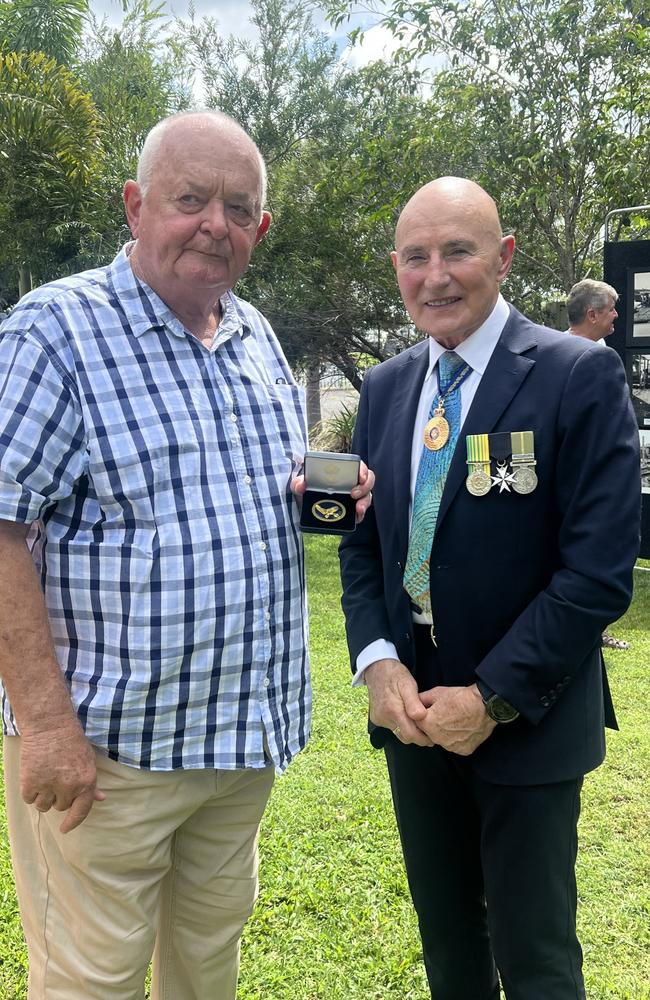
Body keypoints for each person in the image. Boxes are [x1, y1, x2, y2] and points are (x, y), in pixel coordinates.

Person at [0, 110, 372, 1000]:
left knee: (207, 973)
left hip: (238, 745)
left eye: (237, 207)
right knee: (91, 985)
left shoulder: (256, 338)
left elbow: (251, 493)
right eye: (190, 199)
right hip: (107, 756)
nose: (215, 222)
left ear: (261, 230)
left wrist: (330, 491)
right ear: (134, 206)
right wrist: (47, 728)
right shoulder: (56, 331)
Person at [339, 177, 640, 1000]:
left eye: (458, 251)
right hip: (414, 720)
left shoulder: (577, 375)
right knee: (449, 946)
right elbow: (362, 549)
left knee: (536, 956)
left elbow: (598, 572)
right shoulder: (388, 387)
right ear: (395, 269)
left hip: (527, 723)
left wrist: (493, 697)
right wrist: (377, 663)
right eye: (415, 257)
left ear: (503, 258)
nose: (435, 275)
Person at [566, 278, 630, 649]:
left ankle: (594, 629)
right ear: (592, 314)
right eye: (610, 309)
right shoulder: (551, 358)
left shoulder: (604, 353)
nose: (617, 315)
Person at [566, 277, 618, 344]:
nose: (616, 314)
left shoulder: (599, 342)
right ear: (592, 315)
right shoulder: (560, 351)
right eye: (611, 309)